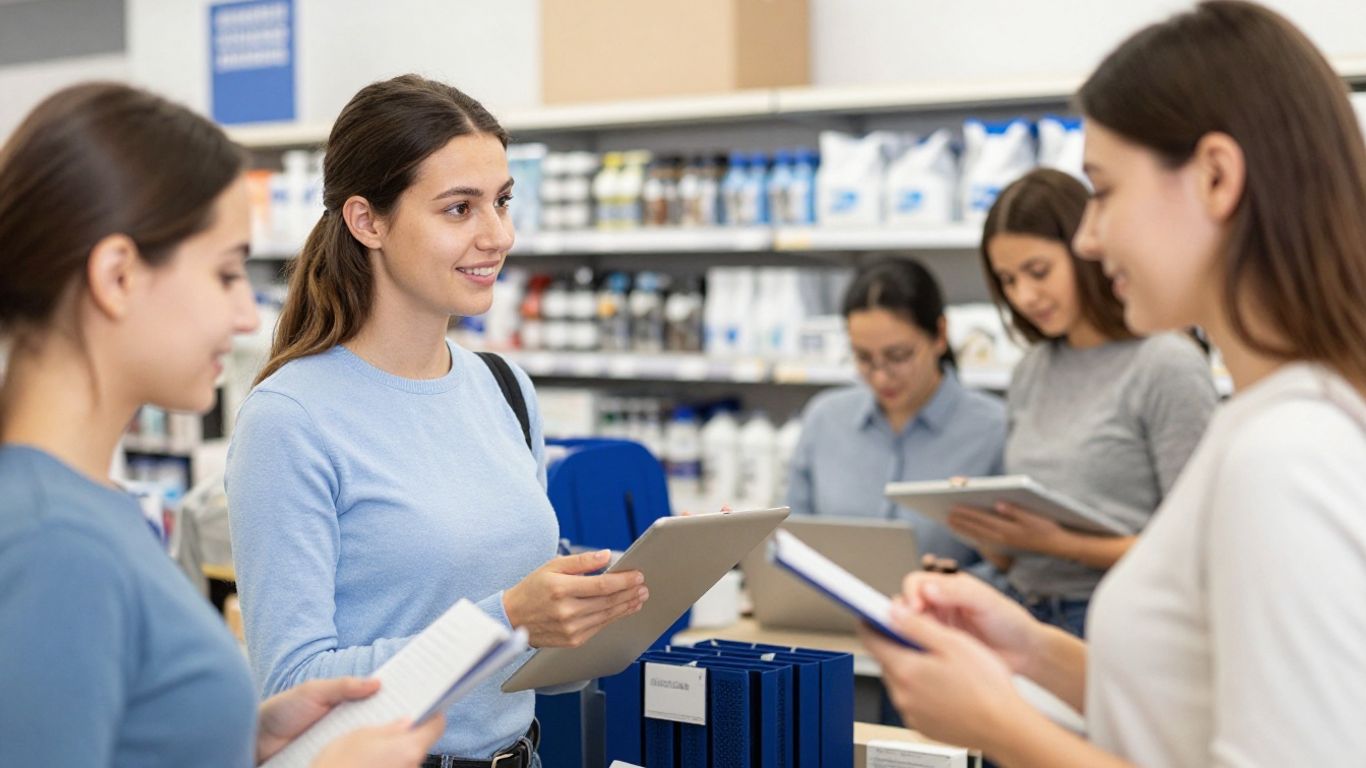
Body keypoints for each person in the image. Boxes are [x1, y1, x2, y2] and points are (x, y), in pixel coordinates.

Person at [863, 2, 1366, 765]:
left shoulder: (1287, 452)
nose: (1090, 237)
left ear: (1216, 177)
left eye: (1102, 189)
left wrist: (1000, 726)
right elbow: (1195, 708)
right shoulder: (1261, 420)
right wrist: (1030, 650)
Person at [0, 82, 442, 767]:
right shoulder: (52, 541)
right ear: (117, 276)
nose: (245, 316)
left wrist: (238, 742)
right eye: (227, 273)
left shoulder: (88, 508)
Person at [225, 75, 647, 767]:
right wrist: (508, 616)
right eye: (459, 209)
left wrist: (604, 604)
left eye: (503, 202)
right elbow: (294, 688)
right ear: (368, 222)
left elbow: (532, 668)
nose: (498, 235)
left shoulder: (504, 389)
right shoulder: (290, 420)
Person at [944, 167, 1218, 636]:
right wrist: (991, 533)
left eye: (1038, 272)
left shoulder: (1165, 365)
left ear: (1088, 250)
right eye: (1008, 281)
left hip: (1116, 619)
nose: (1024, 296)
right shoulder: (1033, 369)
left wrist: (1063, 543)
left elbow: (1197, 549)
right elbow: (1018, 557)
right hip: (1022, 610)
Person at [787, 259, 1007, 566]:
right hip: (829, 613)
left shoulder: (995, 430)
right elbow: (789, 540)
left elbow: (1013, 566)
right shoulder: (825, 419)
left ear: (940, 335)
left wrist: (953, 587)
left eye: (898, 356)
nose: (880, 376)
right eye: (864, 358)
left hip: (945, 612)